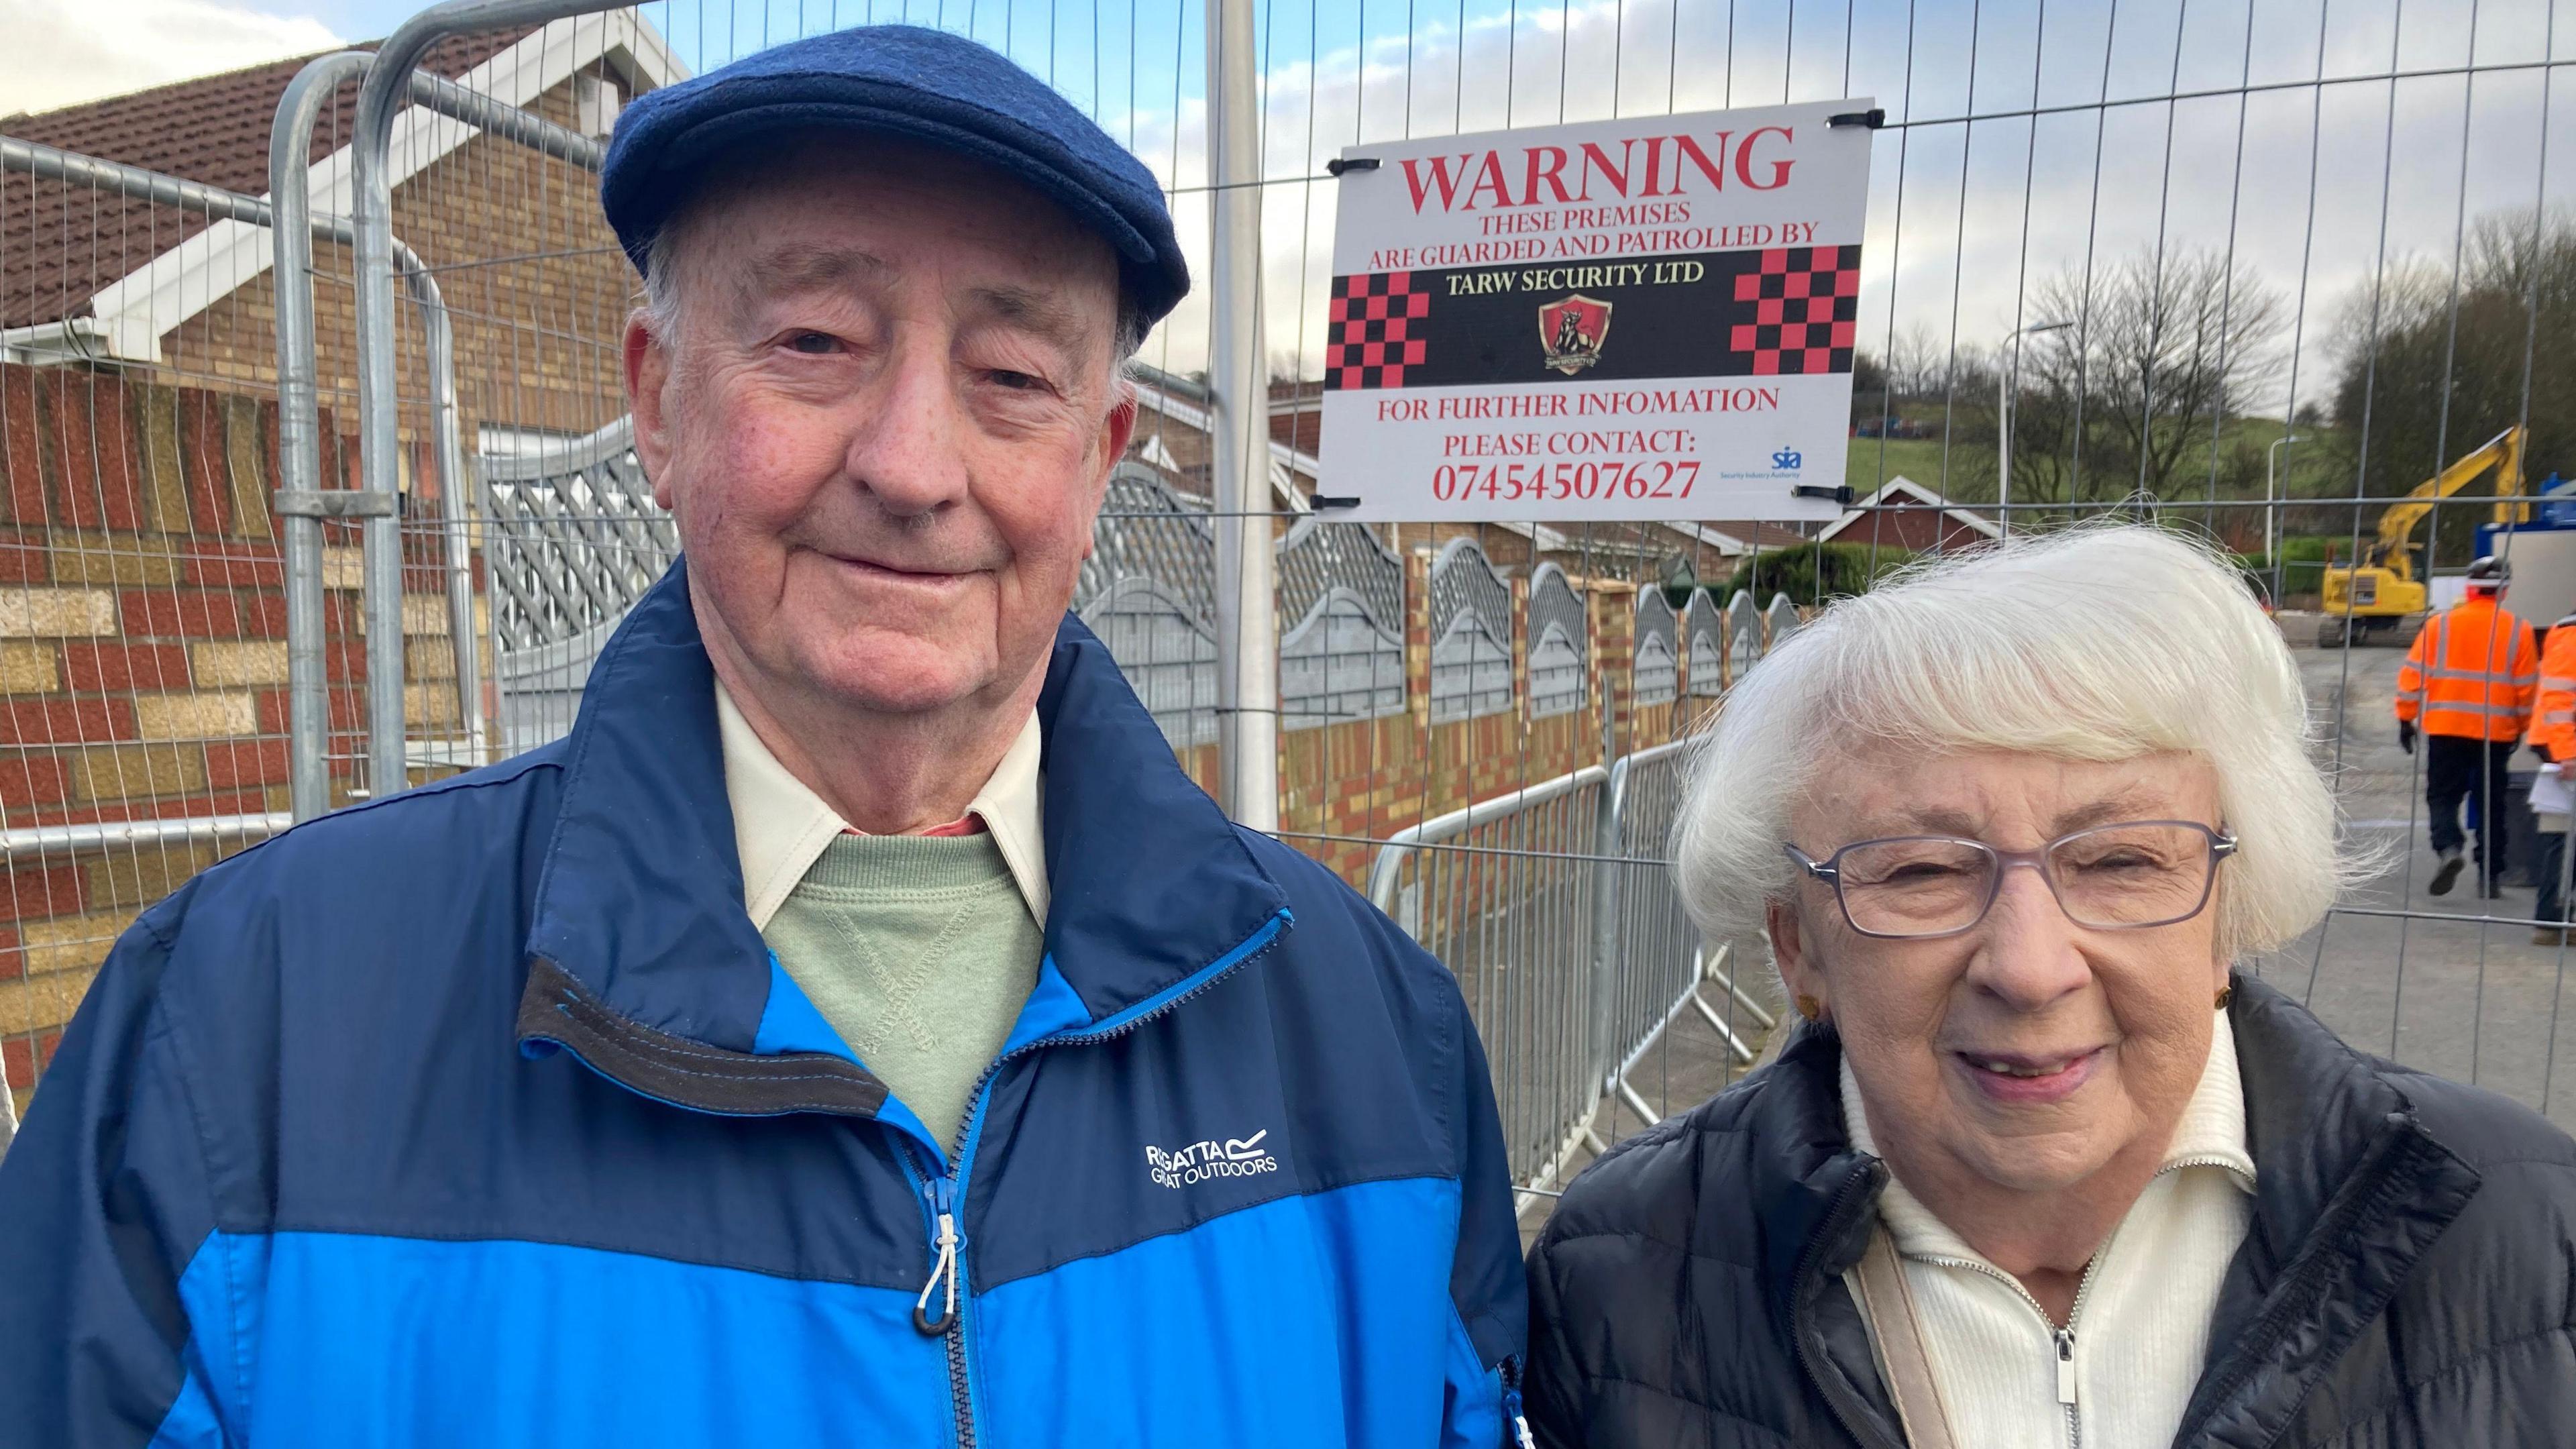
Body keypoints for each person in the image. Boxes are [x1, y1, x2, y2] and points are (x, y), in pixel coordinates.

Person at [0, 27, 1527, 1446]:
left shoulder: (1372, 1037)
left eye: (1009, 377)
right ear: (657, 407)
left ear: (1101, 457)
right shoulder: (241, 1033)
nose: (914, 465)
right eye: (813, 341)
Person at [1523, 527, 2576, 1447]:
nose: (2029, 968)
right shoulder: (1621, 1276)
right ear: (1799, 949)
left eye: (2121, 862)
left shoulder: (2527, 1231)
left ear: (2230, 911)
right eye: (1923, 871)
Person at [2395, 555, 2537, 898]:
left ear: (2470, 588)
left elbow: (2412, 676)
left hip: (2446, 728)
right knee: (2492, 804)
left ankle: (2448, 849)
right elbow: (2527, 688)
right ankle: (2490, 877)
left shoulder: (2439, 626)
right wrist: (2521, 727)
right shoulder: (2519, 630)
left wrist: (2406, 717)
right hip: (2496, 733)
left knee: (2443, 797)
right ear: (2503, 591)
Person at [2528, 606, 2576, 943]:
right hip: (2565, 748)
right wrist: (2568, 754)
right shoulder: (2572, 634)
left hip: (2564, 746)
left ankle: (2558, 918)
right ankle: (2551, 919)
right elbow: (2558, 699)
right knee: (2563, 834)